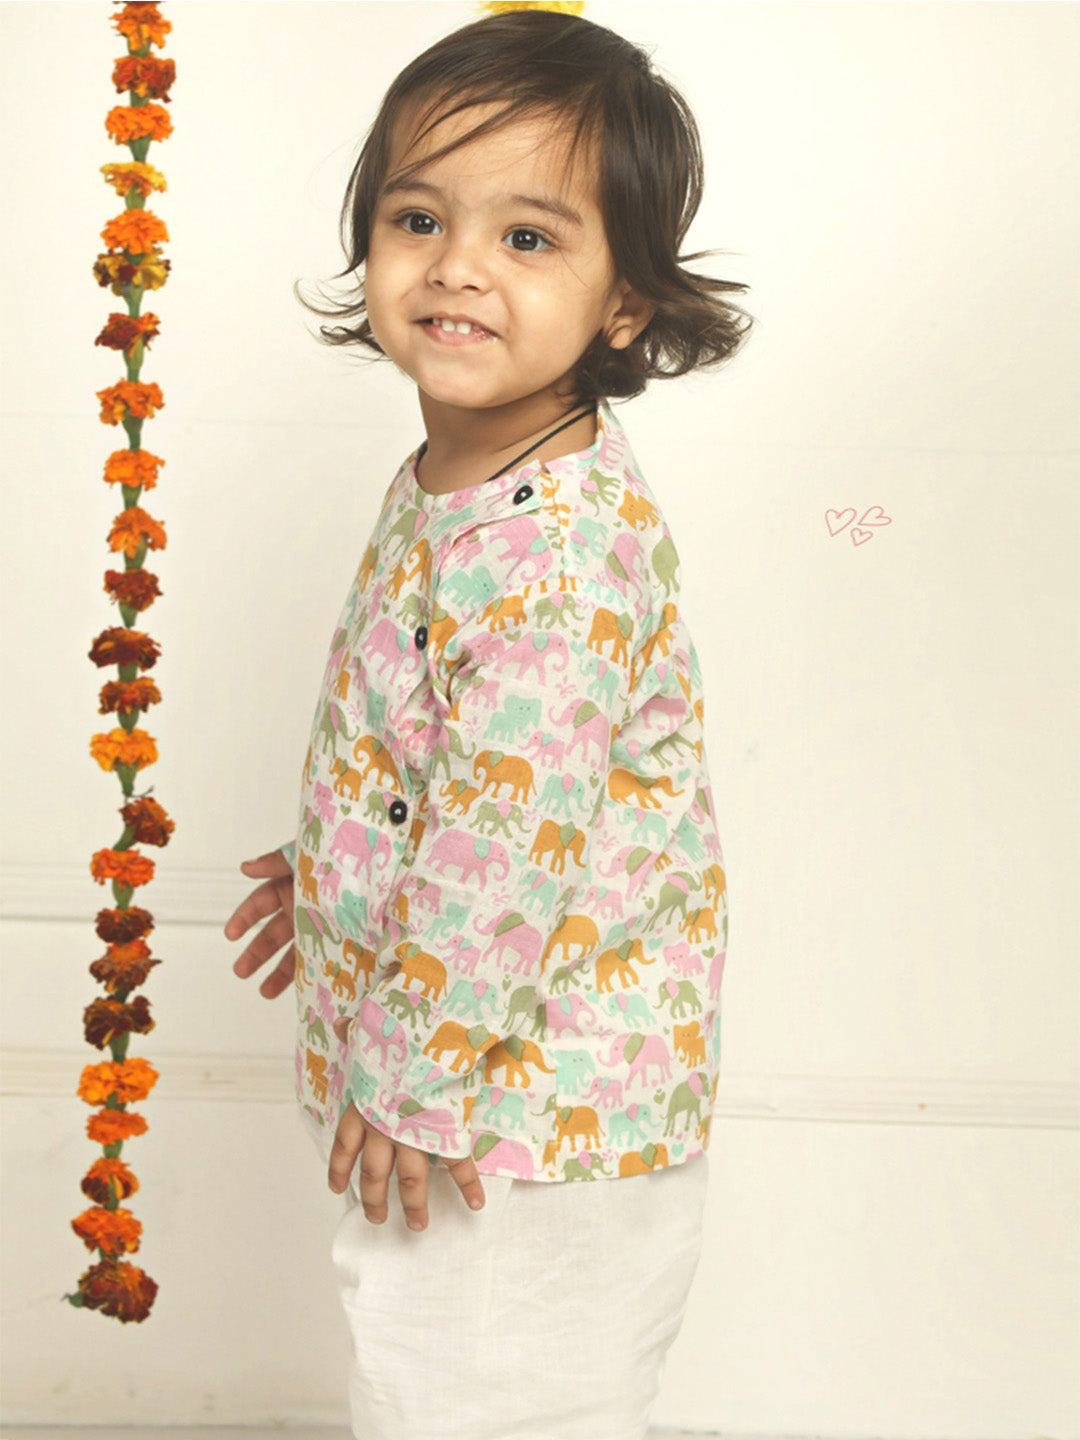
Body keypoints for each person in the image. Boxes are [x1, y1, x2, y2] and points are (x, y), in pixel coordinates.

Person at [223, 9, 752, 1438]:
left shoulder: (553, 556)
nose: (457, 264)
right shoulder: (461, 478)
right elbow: (462, 760)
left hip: (520, 1118)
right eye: (419, 219)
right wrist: (335, 862)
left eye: (527, 237)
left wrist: (413, 1089)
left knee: (496, 1404)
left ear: (624, 303)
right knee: (428, 1389)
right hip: (470, 1077)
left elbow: (508, 847)